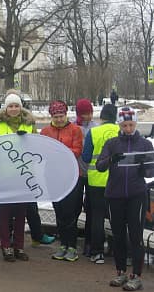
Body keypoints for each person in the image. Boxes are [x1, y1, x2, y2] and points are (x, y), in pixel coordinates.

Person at [96, 107, 153, 291]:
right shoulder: (112, 143)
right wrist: (112, 159)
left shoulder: (145, 144)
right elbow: (100, 166)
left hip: (137, 195)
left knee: (136, 235)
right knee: (118, 235)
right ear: (119, 125)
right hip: (115, 195)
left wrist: (144, 166)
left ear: (135, 124)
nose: (128, 128)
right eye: (124, 125)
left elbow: (150, 171)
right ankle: (120, 271)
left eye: (131, 125)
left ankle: (136, 275)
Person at [0, 90, 34, 262]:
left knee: (21, 213)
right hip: (4, 175)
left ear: (21, 108)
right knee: (5, 212)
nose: (14, 109)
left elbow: (36, 147)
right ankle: (6, 246)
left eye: (17, 106)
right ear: (6, 109)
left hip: (23, 174)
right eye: (11, 106)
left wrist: (27, 140)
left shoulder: (29, 125)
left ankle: (19, 246)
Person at [40, 100, 83, 262]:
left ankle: (72, 246)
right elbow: (42, 152)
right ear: (51, 116)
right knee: (59, 211)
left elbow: (77, 151)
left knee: (70, 213)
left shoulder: (75, 130)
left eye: (62, 116)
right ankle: (63, 244)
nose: (59, 119)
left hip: (72, 176)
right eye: (56, 116)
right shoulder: (45, 131)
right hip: (53, 177)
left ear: (66, 115)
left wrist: (59, 151)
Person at [82, 104, 118, 265]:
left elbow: (86, 156)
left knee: (97, 217)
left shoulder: (94, 132)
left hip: (96, 180)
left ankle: (97, 253)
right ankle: (119, 251)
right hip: (116, 180)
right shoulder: (121, 131)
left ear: (102, 117)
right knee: (118, 217)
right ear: (115, 117)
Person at [74, 98, 98, 256]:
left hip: (91, 173)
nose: (88, 117)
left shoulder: (95, 128)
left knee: (90, 207)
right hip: (76, 172)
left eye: (90, 113)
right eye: (84, 114)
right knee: (74, 207)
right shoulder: (74, 127)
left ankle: (89, 242)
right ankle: (72, 239)